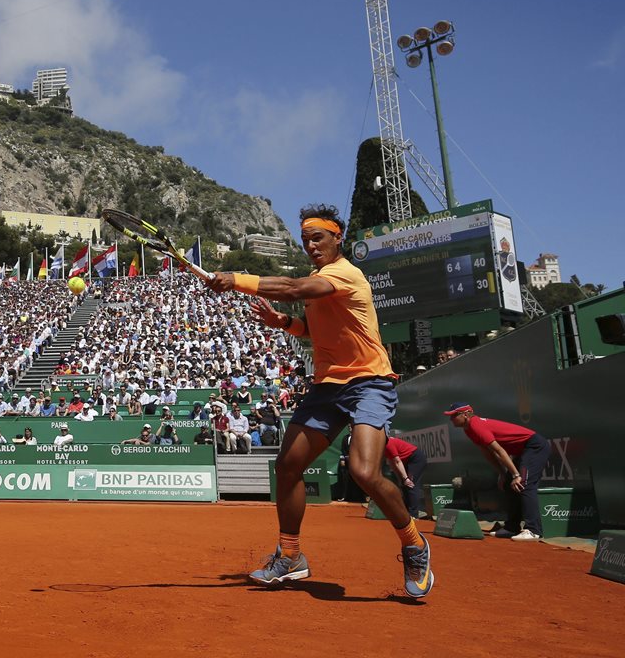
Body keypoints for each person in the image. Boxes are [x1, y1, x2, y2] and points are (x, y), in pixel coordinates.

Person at [206, 204, 432, 597]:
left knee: (364, 472)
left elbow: (293, 289)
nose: (311, 246)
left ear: (337, 237)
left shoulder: (344, 274)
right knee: (288, 466)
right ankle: (290, 556)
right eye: (306, 240)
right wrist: (285, 324)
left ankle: (414, 544)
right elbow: (314, 329)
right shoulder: (319, 279)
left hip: (368, 383)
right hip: (328, 386)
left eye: (318, 238)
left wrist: (235, 279)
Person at [445, 402, 551, 541]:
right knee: (509, 484)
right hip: (522, 451)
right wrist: (503, 474)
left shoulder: (477, 426)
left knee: (524, 484)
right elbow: (488, 453)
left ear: (465, 415)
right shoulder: (469, 429)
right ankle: (512, 527)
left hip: (534, 447)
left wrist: (516, 475)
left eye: (454, 415)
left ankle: (533, 530)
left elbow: (500, 451)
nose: (451, 419)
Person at [385, 436, 427, 518]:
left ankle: (413, 515)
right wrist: (400, 478)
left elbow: (397, 461)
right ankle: (406, 513)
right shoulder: (382, 447)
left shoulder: (388, 444)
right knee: (404, 486)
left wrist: (406, 478)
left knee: (411, 485)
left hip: (416, 459)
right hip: (406, 461)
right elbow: (392, 463)